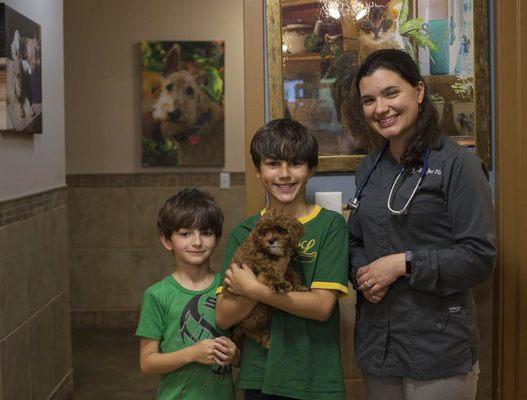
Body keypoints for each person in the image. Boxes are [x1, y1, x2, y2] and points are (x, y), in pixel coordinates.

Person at [344, 49, 497, 400]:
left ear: (419, 91)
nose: (380, 108)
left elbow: (479, 256)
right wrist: (363, 275)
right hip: (379, 346)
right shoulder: (368, 168)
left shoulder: (459, 165)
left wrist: (402, 264)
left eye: (391, 93)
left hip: (437, 345)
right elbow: (355, 242)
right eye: (369, 100)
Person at [215, 118, 349, 400]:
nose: (284, 174)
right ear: (258, 170)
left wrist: (253, 289)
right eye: (273, 163)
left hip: (316, 375)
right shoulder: (244, 232)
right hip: (261, 375)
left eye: (296, 163)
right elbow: (224, 315)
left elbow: (322, 306)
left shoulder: (330, 226)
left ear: (312, 169)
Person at [136, 188, 237, 400]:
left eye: (206, 233)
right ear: (166, 240)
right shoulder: (157, 295)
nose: (197, 242)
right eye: (185, 234)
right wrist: (192, 354)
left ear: (217, 238)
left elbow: (244, 356)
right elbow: (147, 363)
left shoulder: (230, 287)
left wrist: (234, 354)